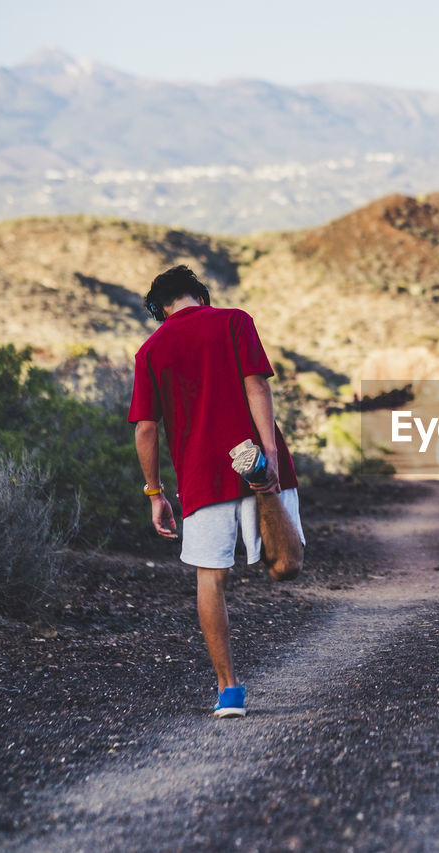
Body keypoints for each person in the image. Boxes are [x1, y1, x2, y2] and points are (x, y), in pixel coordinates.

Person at [128, 265, 304, 719]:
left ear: (159, 309)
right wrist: (269, 450)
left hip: (199, 478)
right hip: (253, 454)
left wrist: (155, 492)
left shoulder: (150, 349)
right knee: (286, 566)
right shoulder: (234, 320)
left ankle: (228, 690)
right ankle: (260, 482)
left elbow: (146, 429)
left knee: (212, 578)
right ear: (200, 295)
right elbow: (256, 385)